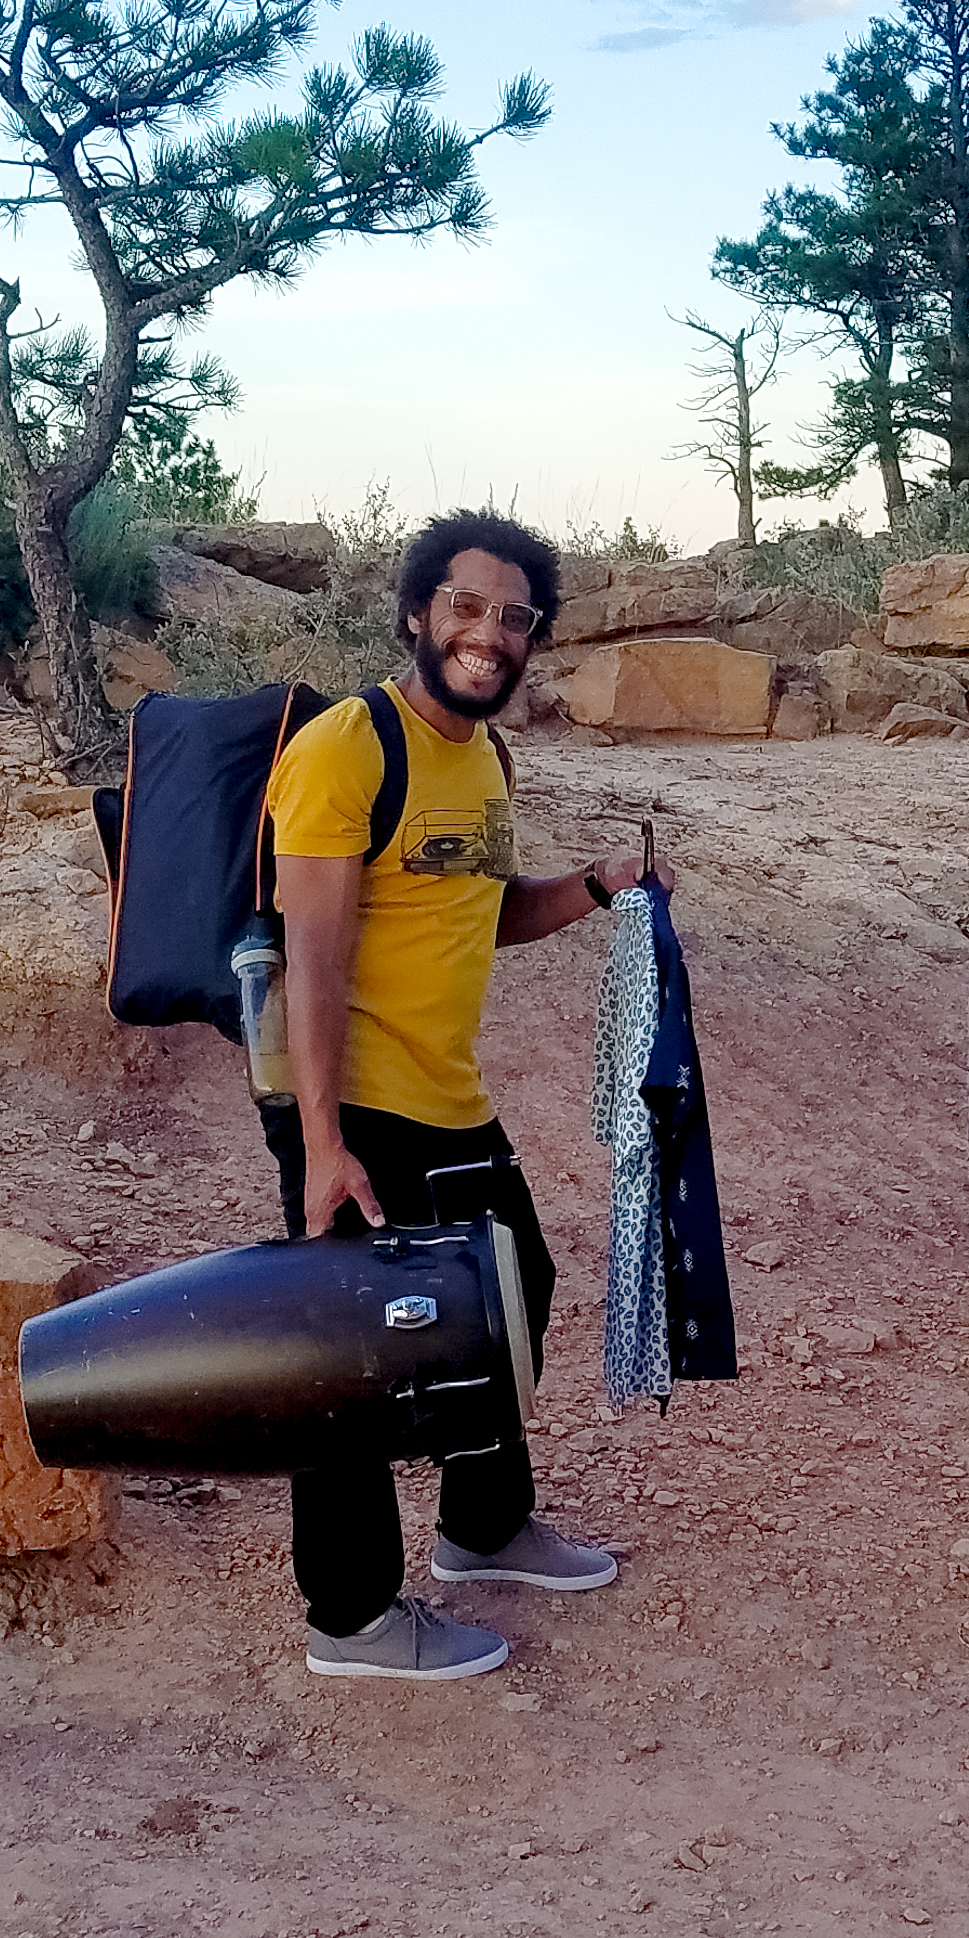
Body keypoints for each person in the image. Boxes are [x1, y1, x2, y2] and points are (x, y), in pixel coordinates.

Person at [261, 510, 646, 1683]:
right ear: (418, 613)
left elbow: (488, 911)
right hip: (351, 1103)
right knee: (349, 1358)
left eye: (516, 617)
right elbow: (311, 959)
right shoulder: (345, 749)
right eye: (469, 608)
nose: (491, 634)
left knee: (512, 1292)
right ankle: (352, 1621)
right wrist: (323, 1143)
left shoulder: (485, 756)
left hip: (446, 1095)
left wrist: (595, 884)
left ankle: (481, 1530)